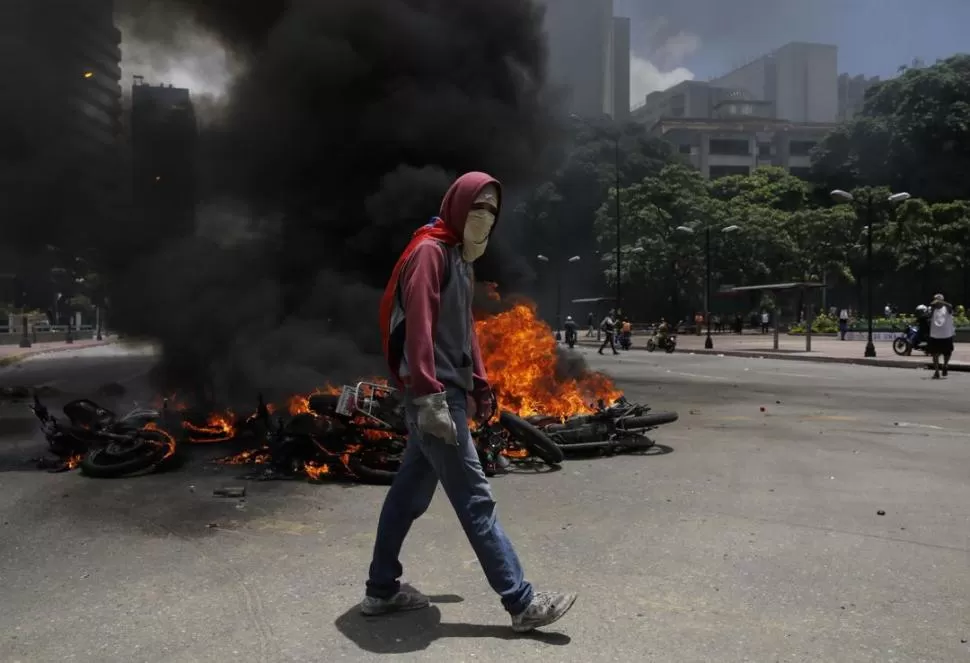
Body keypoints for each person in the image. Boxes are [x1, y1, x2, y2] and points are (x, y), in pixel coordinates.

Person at [369, 171, 577, 631]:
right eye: (478, 206)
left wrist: (481, 383)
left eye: (492, 210)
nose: (485, 216)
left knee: (407, 496)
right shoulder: (429, 253)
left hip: (451, 391)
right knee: (476, 499)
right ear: (457, 204)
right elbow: (420, 330)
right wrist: (429, 397)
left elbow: (464, 329)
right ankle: (521, 602)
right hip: (436, 397)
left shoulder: (459, 257)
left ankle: (381, 589)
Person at [927, 293, 955, 379]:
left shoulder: (947, 308)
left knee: (947, 353)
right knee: (934, 354)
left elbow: (950, 306)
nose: (935, 302)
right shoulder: (932, 309)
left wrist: (942, 302)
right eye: (934, 300)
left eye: (937, 300)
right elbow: (928, 317)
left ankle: (945, 365)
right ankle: (936, 372)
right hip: (935, 335)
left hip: (946, 335)